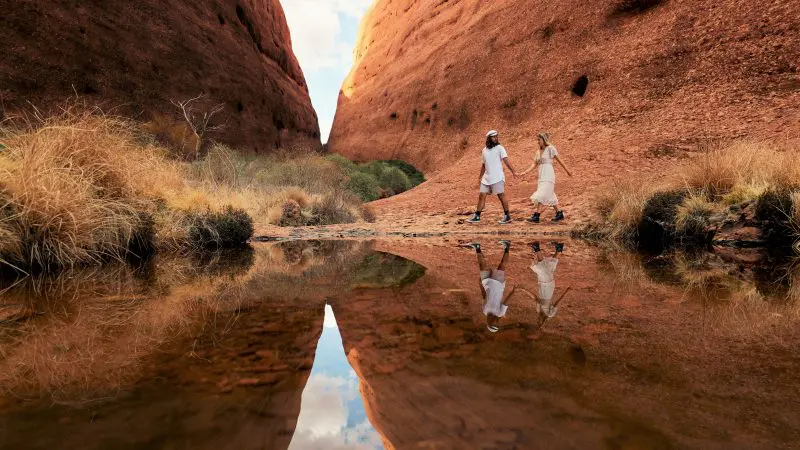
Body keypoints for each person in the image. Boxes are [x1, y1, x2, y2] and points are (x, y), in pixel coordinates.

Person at [464, 240, 518, 332]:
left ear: (489, 323)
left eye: (495, 323)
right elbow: (506, 302)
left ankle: (477, 247)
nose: (497, 322)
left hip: (487, 285)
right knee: (501, 266)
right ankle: (507, 247)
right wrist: (513, 292)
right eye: (497, 323)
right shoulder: (500, 313)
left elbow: (484, 297)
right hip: (498, 286)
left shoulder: (484, 311)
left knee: (482, 266)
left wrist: (480, 285)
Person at [467, 130, 518, 225]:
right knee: (481, 195)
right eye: (494, 137)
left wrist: (513, 171)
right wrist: (479, 177)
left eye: (496, 137)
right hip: (486, 178)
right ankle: (477, 216)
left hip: (497, 177)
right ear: (489, 138)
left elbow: (506, 160)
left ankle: (507, 216)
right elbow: (483, 165)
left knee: (501, 195)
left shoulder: (500, 148)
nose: (496, 138)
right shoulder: (484, 150)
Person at [520, 133, 572, 223]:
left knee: (542, 193)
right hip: (541, 176)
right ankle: (559, 213)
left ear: (544, 140)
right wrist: (525, 172)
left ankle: (537, 215)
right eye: (537, 140)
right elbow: (534, 164)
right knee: (549, 194)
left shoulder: (550, 149)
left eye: (539, 140)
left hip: (549, 175)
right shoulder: (538, 152)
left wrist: (567, 170)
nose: (537, 142)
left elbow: (559, 160)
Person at [528, 241, 565, 326]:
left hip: (542, 286)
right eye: (539, 321)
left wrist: (523, 290)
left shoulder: (538, 310)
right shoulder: (550, 314)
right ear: (543, 322)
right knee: (543, 269)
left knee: (549, 267)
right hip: (548, 289)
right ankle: (536, 247)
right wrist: (566, 292)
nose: (538, 319)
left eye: (537, 320)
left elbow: (536, 298)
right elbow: (557, 303)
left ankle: (559, 248)